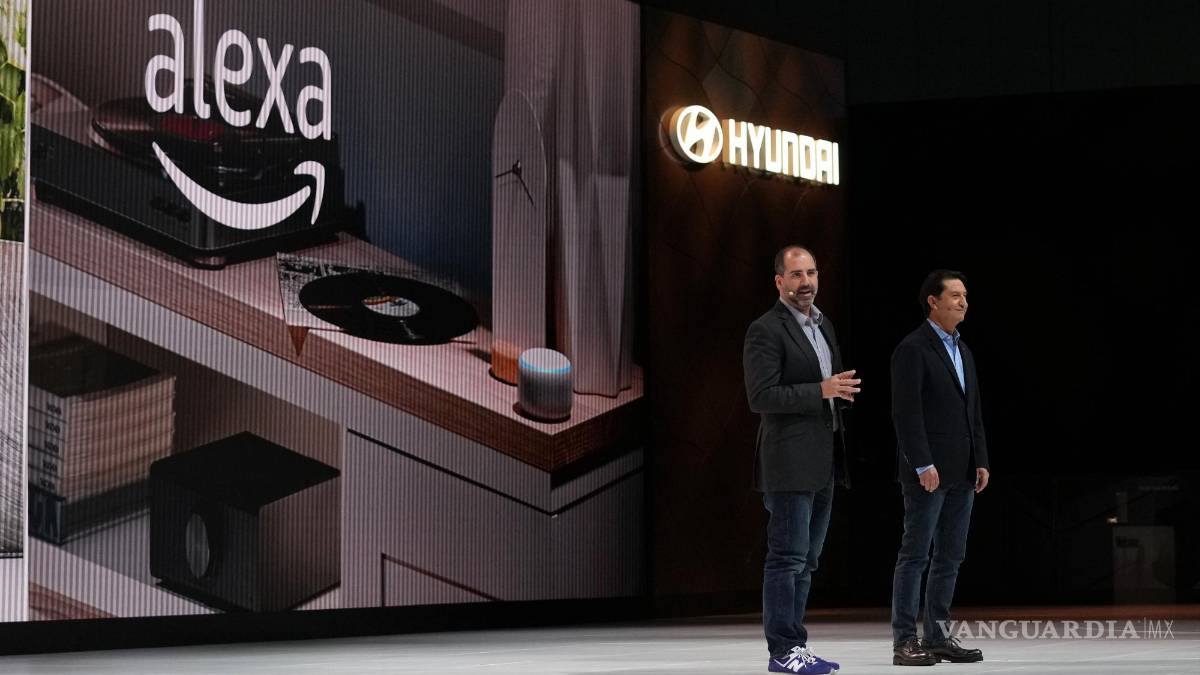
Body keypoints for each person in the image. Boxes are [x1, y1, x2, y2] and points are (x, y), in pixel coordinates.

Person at [744, 245, 860, 674]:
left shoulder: (823, 324)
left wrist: (838, 393)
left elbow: (830, 385)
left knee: (807, 562)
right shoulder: (765, 329)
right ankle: (783, 650)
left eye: (811, 273)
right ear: (779, 281)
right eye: (796, 275)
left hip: (823, 460)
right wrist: (821, 391)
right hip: (788, 462)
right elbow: (761, 396)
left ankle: (797, 645)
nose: (806, 282)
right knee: (787, 558)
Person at [889, 270, 990, 666]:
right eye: (955, 295)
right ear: (933, 301)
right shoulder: (913, 348)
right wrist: (922, 462)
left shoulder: (963, 349)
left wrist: (981, 459)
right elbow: (906, 413)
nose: (963, 302)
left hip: (962, 470)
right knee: (915, 555)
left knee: (950, 556)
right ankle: (904, 640)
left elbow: (972, 410)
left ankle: (937, 637)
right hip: (928, 473)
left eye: (965, 295)